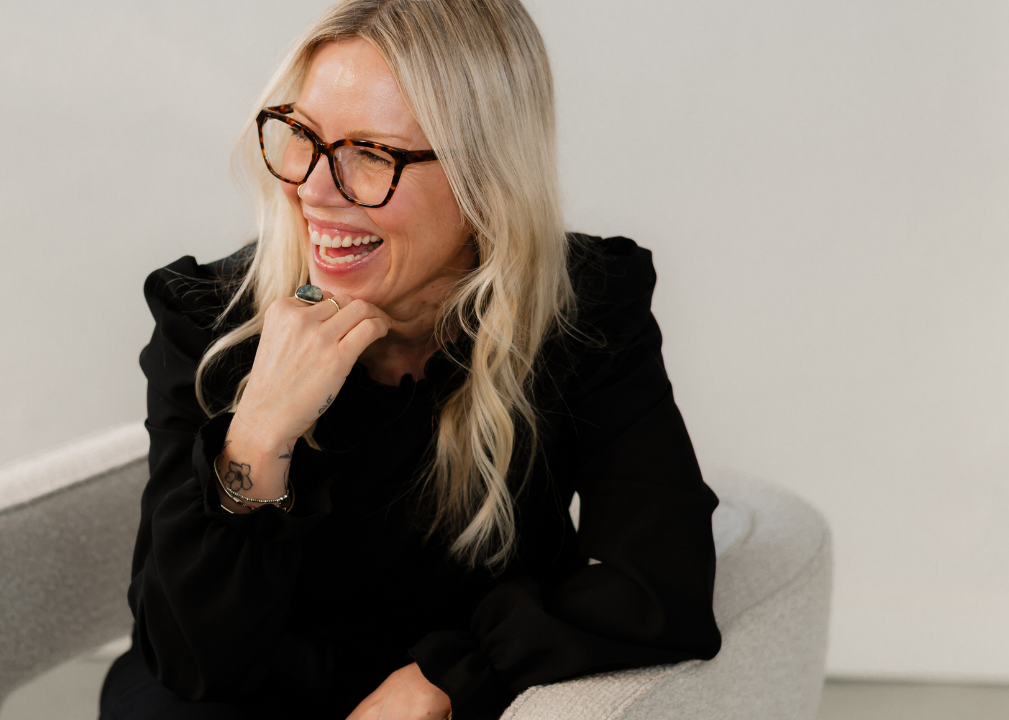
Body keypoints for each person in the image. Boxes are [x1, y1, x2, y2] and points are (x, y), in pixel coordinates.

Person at [97, 1, 721, 718]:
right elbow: (188, 662)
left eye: (371, 153)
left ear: (484, 178)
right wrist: (260, 432)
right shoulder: (209, 323)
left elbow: (660, 586)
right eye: (303, 136)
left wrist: (451, 675)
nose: (311, 190)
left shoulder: (580, 311)